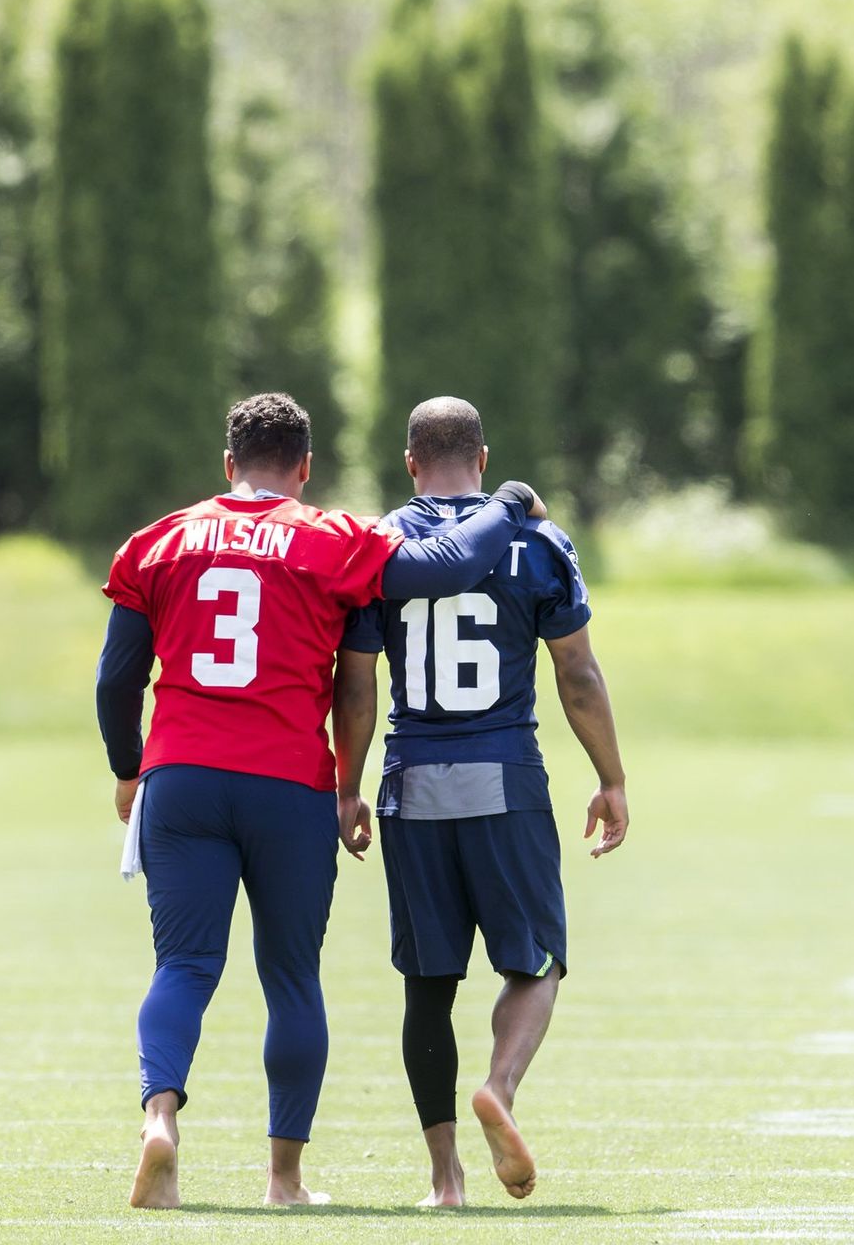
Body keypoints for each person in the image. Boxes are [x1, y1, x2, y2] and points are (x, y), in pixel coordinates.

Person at [94, 392, 546, 1211]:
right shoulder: (330, 536)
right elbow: (443, 565)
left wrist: (129, 766)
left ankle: (161, 1119)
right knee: (292, 978)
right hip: (287, 784)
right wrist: (509, 501)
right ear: (305, 468)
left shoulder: (159, 540)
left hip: (184, 774)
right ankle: (285, 1180)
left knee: (184, 965)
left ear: (227, 466)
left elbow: (115, 678)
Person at [339, 395, 629, 1206]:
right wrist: (610, 777)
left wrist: (347, 788)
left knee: (427, 985)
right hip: (505, 774)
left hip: (409, 781)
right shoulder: (537, 541)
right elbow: (576, 674)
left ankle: (445, 1179)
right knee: (536, 959)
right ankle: (500, 1085)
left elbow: (356, 685)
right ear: (484, 457)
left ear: (408, 463)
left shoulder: (381, 546)